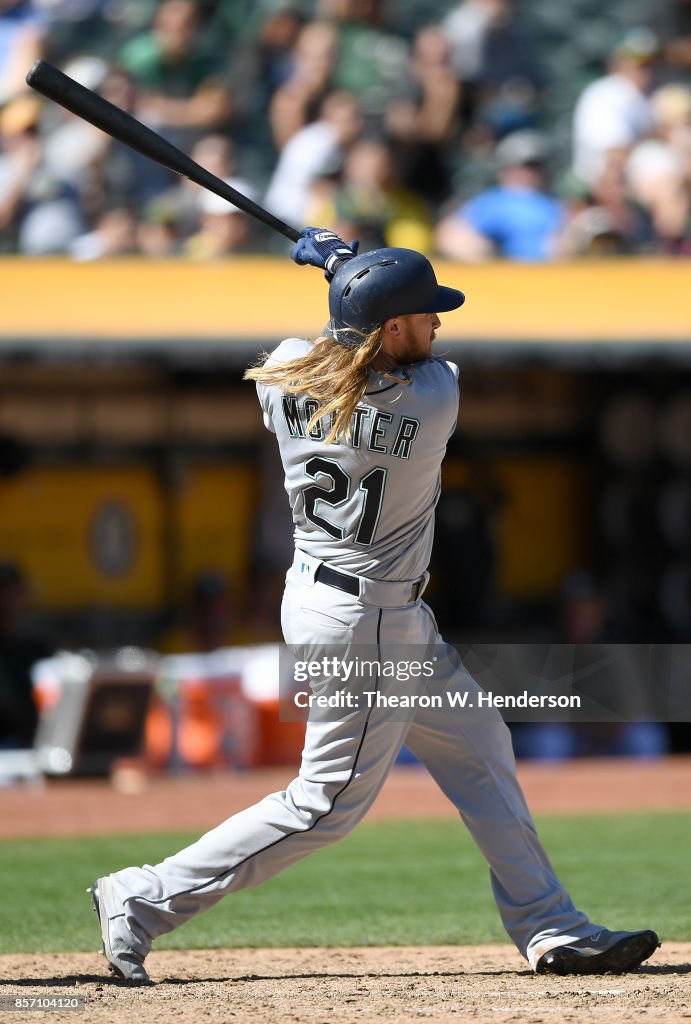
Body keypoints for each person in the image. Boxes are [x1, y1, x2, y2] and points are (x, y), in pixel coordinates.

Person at [87, 227, 659, 984]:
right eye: (423, 316)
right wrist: (344, 263)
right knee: (326, 803)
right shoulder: (433, 397)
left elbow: (329, 341)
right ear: (390, 329)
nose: (436, 325)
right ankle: (143, 897)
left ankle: (550, 925)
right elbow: (381, 352)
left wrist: (343, 274)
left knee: (479, 745)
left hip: (340, 605)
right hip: (370, 623)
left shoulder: (284, 373)